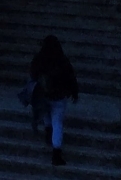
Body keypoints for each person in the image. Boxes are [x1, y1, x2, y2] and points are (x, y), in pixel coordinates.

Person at [28, 35, 80, 166]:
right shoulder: (62, 60)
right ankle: (56, 153)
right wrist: (74, 92)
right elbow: (71, 77)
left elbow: (33, 74)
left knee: (46, 113)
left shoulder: (39, 59)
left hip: (43, 95)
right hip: (59, 96)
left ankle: (47, 131)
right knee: (58, 122)